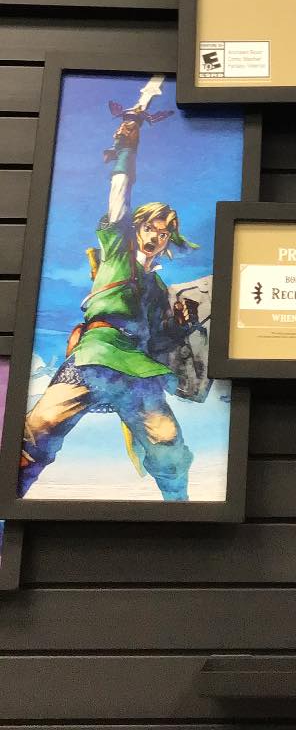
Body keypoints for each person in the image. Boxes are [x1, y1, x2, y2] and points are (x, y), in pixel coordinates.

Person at [19, 108, 198, 500]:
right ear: (137, 227)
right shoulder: (117, 250)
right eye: (149, 228)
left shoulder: (159, 288)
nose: (155, 237)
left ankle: (180, 515)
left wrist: (182, 324)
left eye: (163, 234)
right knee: (38, 429)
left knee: (169, 448)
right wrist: (126, 151)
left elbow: (160, 342)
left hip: (139, 372)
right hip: (94, 358)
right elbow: (120, 192)